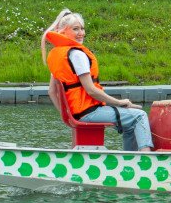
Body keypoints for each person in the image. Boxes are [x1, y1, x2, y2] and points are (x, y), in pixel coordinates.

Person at [41, 9, 153, 152]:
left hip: (77, 113)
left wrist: (68, 117)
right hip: (88, 112)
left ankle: (130, 158)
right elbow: (91, 90)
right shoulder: (77, 55)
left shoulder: (57, 55)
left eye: (82, 28)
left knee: (129, 124)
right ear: (63, 31)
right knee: (139, 116)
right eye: (75, 29)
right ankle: (147, 162)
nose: (81, 33)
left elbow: (51, 92)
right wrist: (120, 102)